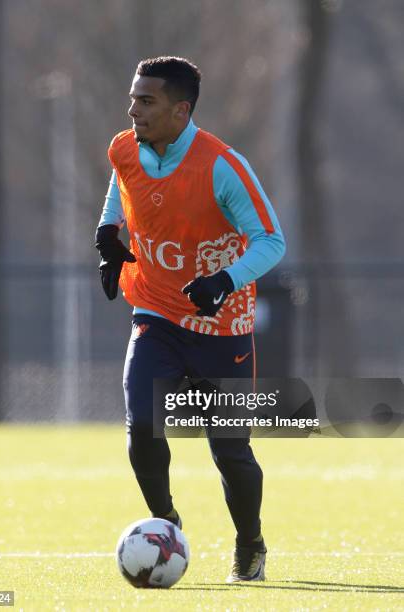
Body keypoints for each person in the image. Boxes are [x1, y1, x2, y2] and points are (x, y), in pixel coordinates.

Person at [95, 56, 285, 583]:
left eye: (146, 101)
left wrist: (224, 281)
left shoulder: (222, 165)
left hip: (223, 329)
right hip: (156, 311)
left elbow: (272, 240)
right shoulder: (125, 147)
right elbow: (122, 186)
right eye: (133, 98)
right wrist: (109, 236)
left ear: (181, 110)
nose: (133, 110)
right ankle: (166, 526)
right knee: (143, 429)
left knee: (230, 452)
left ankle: (250, 544)